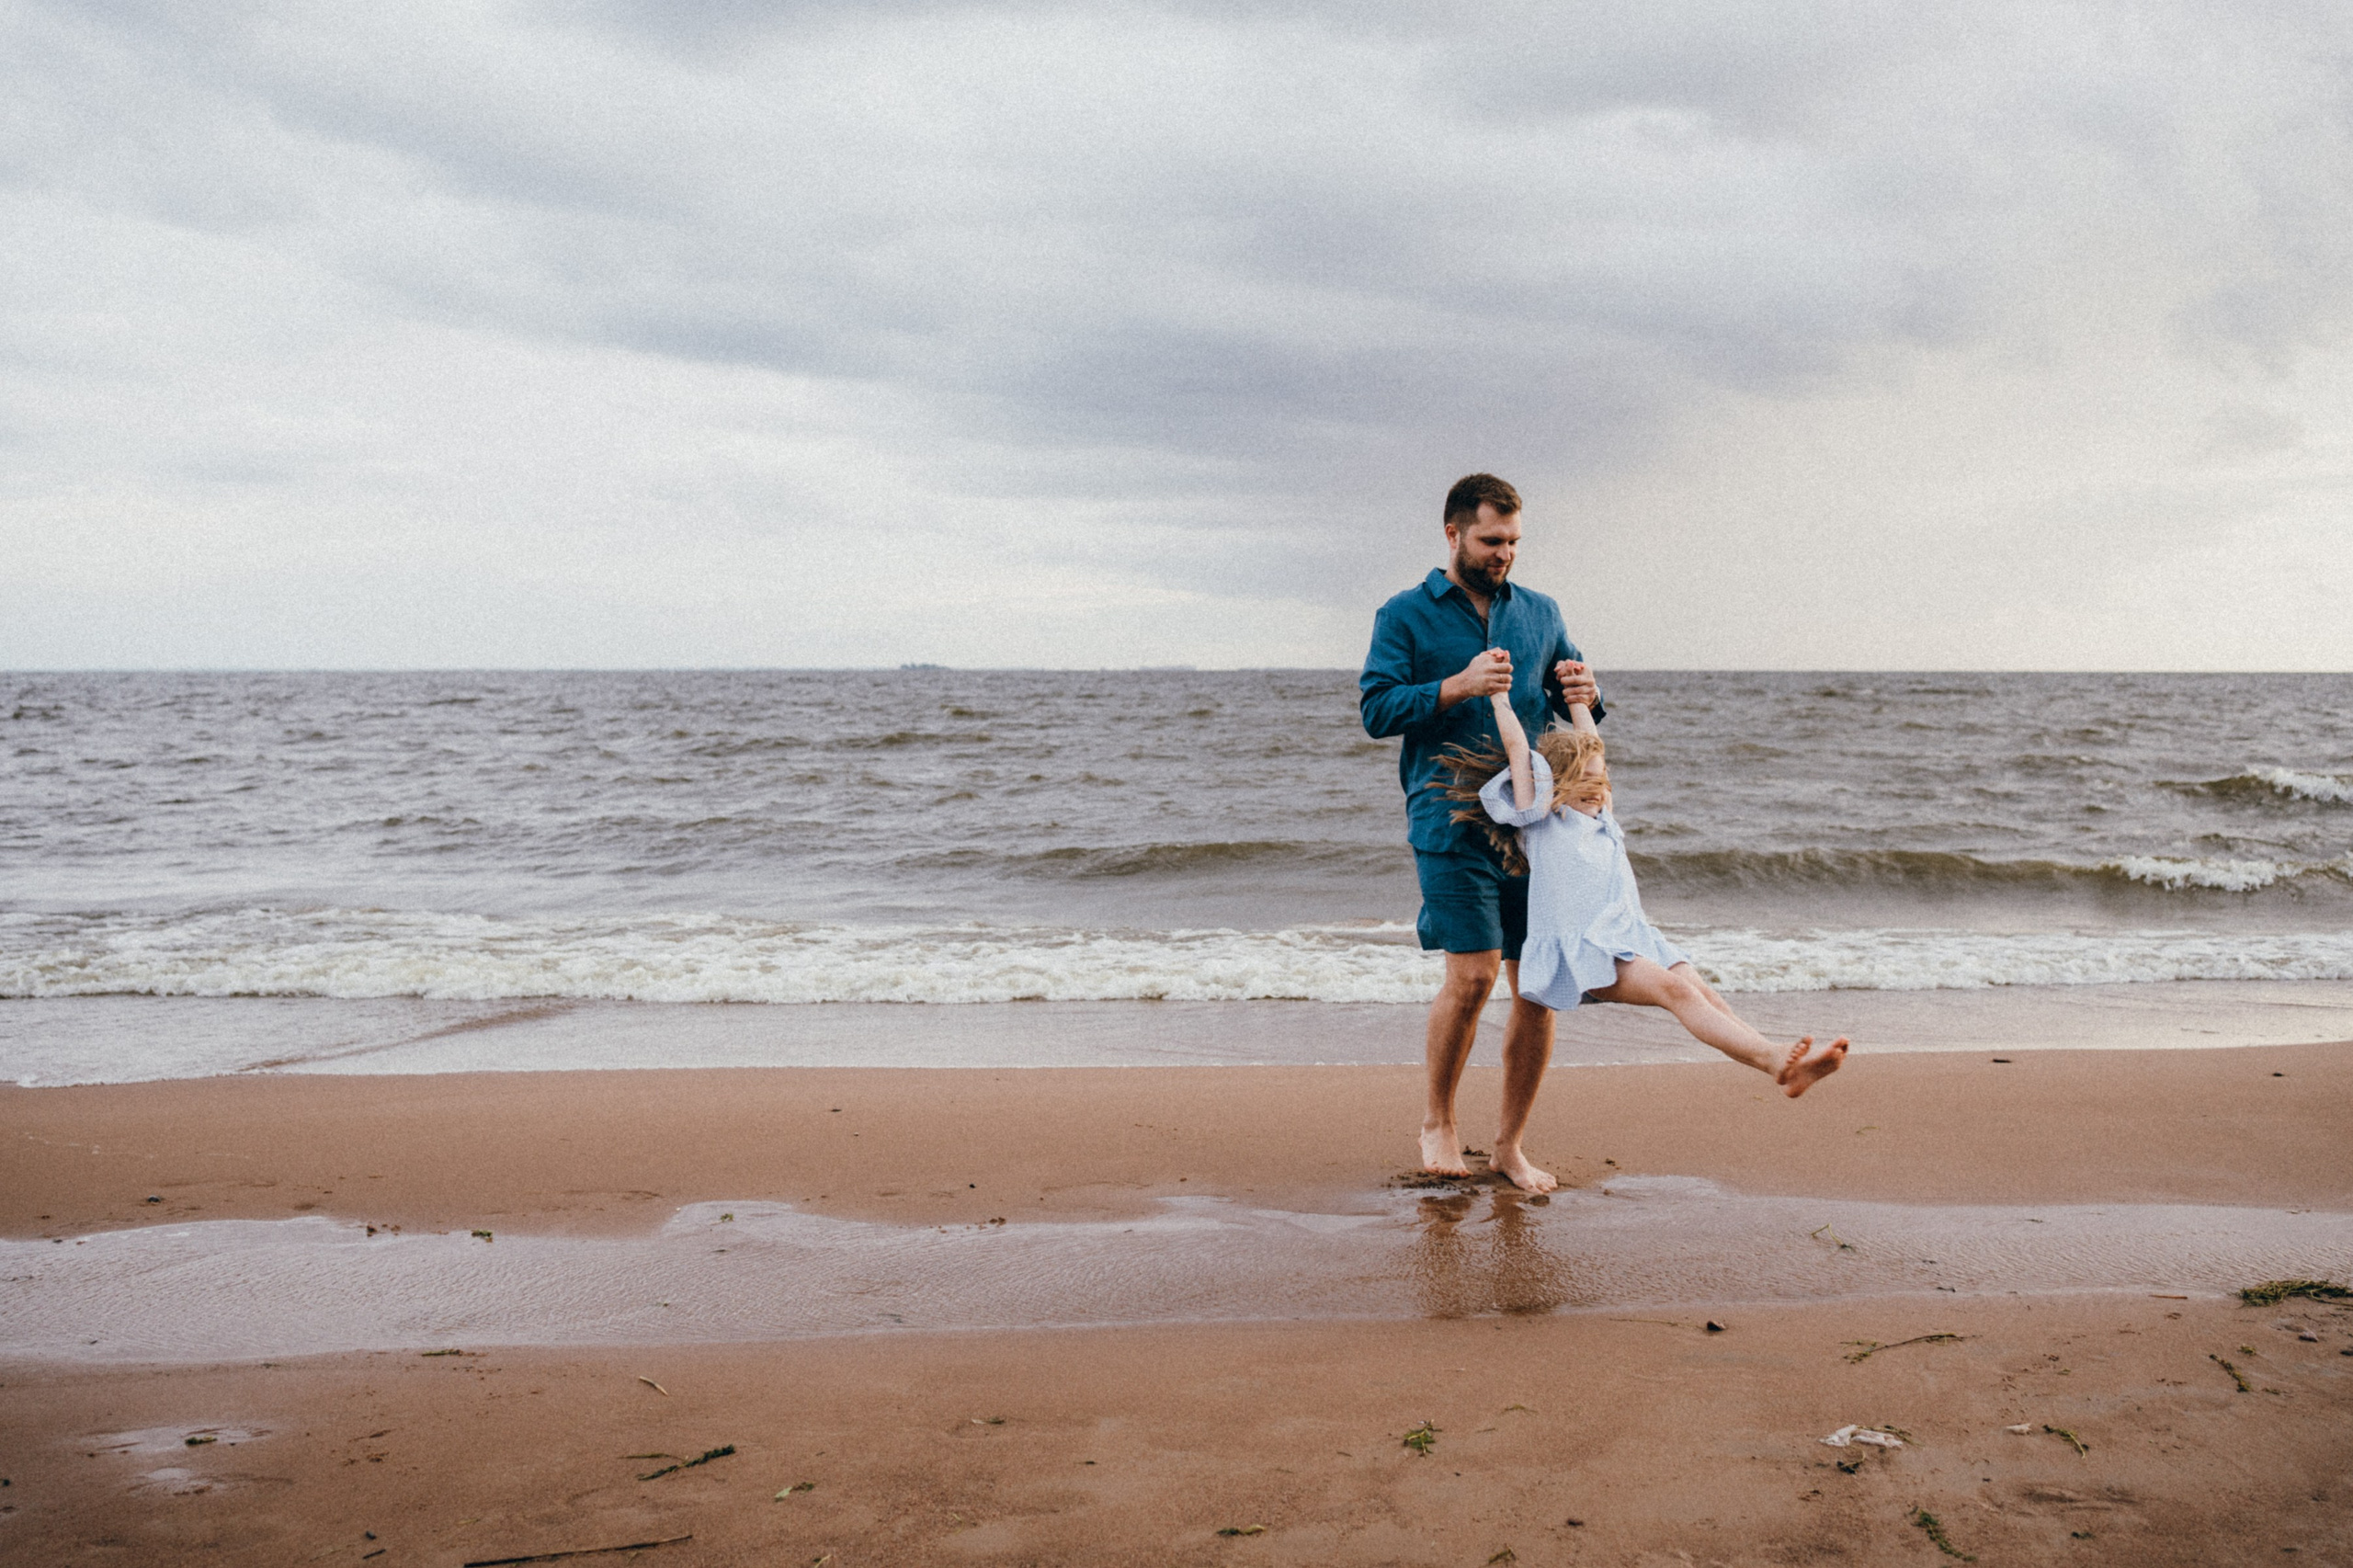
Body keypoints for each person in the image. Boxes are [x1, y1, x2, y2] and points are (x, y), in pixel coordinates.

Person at [1444, 690, 1849, 1128]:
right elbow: (1519, 749)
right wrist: (1500, 699)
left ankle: (1782, 1066)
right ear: (1555, 786)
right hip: (1589, 950)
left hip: (1631, 937)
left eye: (1603, 780)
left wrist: (1578, 700)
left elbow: (1593, 746)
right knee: (1677, 993)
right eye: (1587, 781)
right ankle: (1773, 1060)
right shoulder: (1543, 821)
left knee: (1702, 993)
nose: (1599, 790)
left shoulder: (1604, 821)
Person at [1359, 473, 1599, 1193]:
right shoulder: (1403, 614)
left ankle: (1510, 1146)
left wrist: (1588, 693)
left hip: (1536, 821)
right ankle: (1438, 1122)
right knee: (1471, 976)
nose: (1504, 554)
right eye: (1492, 540)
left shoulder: (1541, 611)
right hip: (1448, 816)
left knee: (1540, 986)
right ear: (1454, 534)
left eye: (1514, 542)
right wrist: (1457, 685)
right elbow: (1376, 710)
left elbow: (1566, 699)